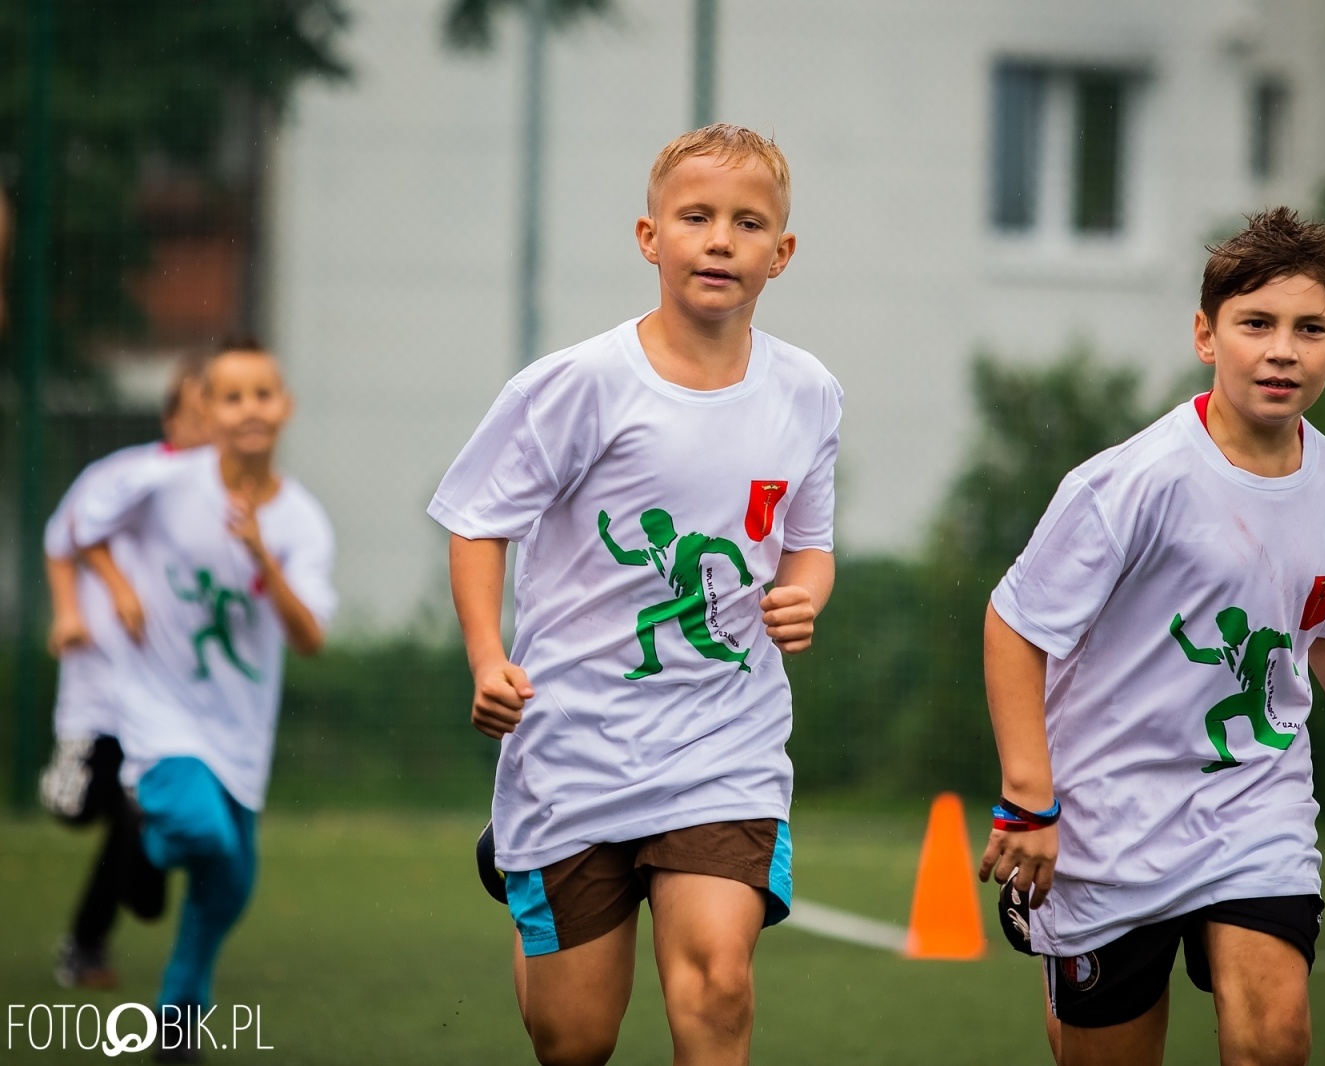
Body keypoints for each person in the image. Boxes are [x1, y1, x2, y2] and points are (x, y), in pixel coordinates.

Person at [430, 124, 840, 1066]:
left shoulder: (809, 392)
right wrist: (488, 657)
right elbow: (478, 521)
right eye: (696, 217)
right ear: (650, 237)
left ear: (780, 253)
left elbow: (809, 547)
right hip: (575, 746)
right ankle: (523, 861)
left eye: (748, 224)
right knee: (573, 1039)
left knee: (718, 986)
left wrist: (803, 596)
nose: (720, 240)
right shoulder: (579, 384)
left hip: (724, 743)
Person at [979, 207, 1325, 1066]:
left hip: (1256, 804)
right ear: (1206, 335)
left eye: (1310, 329)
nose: (1282, 350)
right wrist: (1028, 799)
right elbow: (1015, 625)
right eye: (1256, 324)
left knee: (1275, 1038)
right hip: (1110, 819)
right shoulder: (1132, 482)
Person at [73, 341, 336, 1062]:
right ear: (206, 411)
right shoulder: (160, 483)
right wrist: (117, 587)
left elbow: (310, 637)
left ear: (285, 407)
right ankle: (147, 836)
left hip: (240, 726)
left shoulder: (302, 521)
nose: (249, 409)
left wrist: (260, 555)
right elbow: (81, 525)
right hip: (158, 707)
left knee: (232, 882)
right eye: (232, 396)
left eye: (262, 394)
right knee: (202, 832)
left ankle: (177, 1019)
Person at [38, 355, 210, 988]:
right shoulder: (127, 474)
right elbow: (66, 538)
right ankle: (131, 826)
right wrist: (72, 610)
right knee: (82, 807)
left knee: (132, 811)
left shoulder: (223, 496)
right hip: (100, 686)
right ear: (173, 417)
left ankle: (86, 945)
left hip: (167, 693)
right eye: (202, 412)